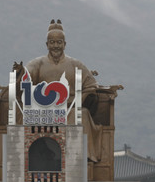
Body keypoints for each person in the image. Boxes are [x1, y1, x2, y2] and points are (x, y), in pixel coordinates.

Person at [24, 20, 103, 162]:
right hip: (44, 110)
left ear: (64, 44)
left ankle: (83, 158)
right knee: (26, 114)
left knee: (83, 114)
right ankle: (33, 159)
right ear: (47, 44)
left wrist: (77, 101)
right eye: (52, 43)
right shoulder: (38, 63)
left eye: (59, 42)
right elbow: (25, 77)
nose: (56, 46)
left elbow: (91, 85)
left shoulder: (75, 64)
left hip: (70, 109)